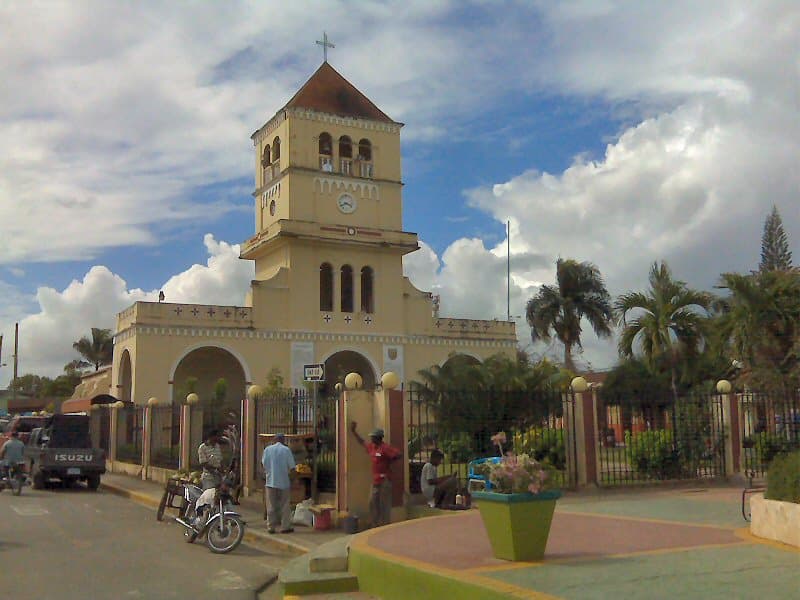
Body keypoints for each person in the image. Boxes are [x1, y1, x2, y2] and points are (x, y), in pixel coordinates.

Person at [350, 422, 402, 528]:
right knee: (372, 502)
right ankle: (375, 523)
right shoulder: (372, 447)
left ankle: (385, 525)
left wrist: (390, 461)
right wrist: (354, 432)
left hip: (384, 480)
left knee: (384, 504)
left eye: (373, 437)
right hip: (376, 480)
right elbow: (362, 442)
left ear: (379, 438)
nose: (371, 439)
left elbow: (398, 454)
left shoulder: (385, 448)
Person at [261, 433, 296, 534]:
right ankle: (285, 527)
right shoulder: (286, 450)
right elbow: (292, 468)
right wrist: (293, 480)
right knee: (285, 505)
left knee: (271, 505)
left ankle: (271, 527)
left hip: (270, 481)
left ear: (274, 440)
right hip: (284, 482)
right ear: (283, 440)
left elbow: (263, 464)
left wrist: (267, 473)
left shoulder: (267, 450)